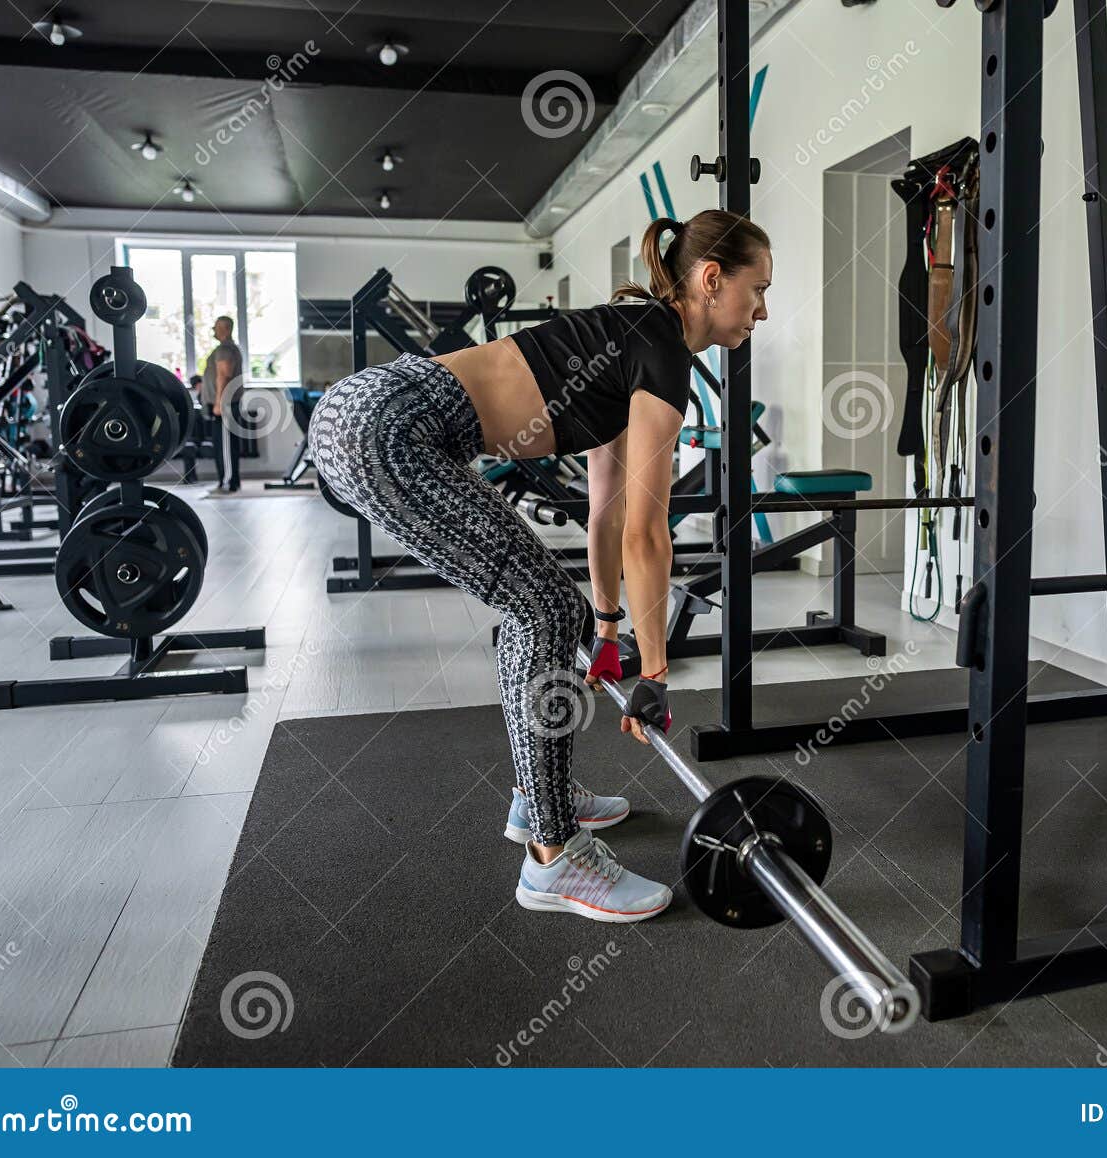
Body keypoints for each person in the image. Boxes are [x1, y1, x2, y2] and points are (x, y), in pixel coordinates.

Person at [309, 210, 771, 923]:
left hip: (364, 415)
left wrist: (613, 634)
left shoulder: (634, 338)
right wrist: (655, 673)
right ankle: (555, 860)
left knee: (552, 610)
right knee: (546, 609)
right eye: (756, 290)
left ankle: (538, 800)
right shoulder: (665, 353)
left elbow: (610, 516)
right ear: (711, 280)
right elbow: (650, 534)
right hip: (391, 423)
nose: (762, 311)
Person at [201, 316, 245, 493]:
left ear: (226, 329)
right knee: (223, 445)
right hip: (225, 405)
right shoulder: (226, 348)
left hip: (225, 405)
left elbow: (224, 376)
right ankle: (227, 480)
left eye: (217, 327)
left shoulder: (225, 349)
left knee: (225, 446)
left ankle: (228, 481)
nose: (214, 330)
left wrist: (219, 402)